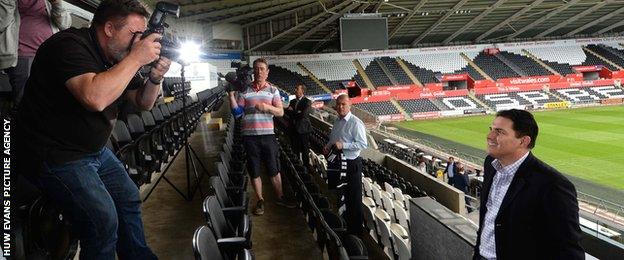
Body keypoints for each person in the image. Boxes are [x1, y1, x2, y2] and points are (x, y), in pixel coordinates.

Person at [14, 0, 170, 258]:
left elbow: (143, 102)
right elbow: (94, 97)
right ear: (109, 28)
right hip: (54, 153)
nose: (138, 42)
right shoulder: (68, 45)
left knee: (128, 198)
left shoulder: (118, 57)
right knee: (102, 220)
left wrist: (154, 78)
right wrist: (136, 57)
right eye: (135, 34)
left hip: (92, 150)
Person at [474, 109, 584, 260]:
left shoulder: (553, 185)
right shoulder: (490, 164)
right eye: (491, 129)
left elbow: (569, 251)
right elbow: (488, 218)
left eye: (499, 132)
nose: (490, 136)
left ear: (523, 141)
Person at [228, 57, 296, 216]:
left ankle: (280, 197)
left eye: (262, 69)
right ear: (253, 71)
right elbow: (238, 114)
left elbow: (280, 112)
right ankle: (260, 200)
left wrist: (266, 107)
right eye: (256, 68)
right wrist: (231, 96)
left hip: (268, 136)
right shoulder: (244, 90)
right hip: (249, 136)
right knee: (254, 170)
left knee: (274, 169)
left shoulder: (273, 91)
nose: (259, 71)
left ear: (267, 72)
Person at [7, 0, 72, 106]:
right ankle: (14, 121)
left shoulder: (48, 2)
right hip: (23, 54)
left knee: (50, 97)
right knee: (24, 101)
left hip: (50, 53)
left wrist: (56, 3)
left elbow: (65, 25)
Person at [324, 94, 368, 235]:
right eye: (338, 104)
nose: (340, 107)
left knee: (353, 199)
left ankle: (355, 235)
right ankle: (344, 225)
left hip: (351, 165)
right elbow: (334, 139)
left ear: (349, 105)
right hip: (338, 163)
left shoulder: (356, 123)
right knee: (341, 196)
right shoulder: (337, 121)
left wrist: (344, 145)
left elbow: (362, 144)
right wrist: (328, 146)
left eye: (343, 104)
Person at [286, 84, 312, 167]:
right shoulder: (292, 101)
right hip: (293, 129)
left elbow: (303, 115)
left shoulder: (307, 101)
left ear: (302, 91)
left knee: (305, 150)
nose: (295, 90)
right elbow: (288, 113)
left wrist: (293, 112)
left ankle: (306, 167)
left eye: (297, 88)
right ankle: (297, 166)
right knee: (295, 149)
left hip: (303, 130)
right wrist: (296, 112)